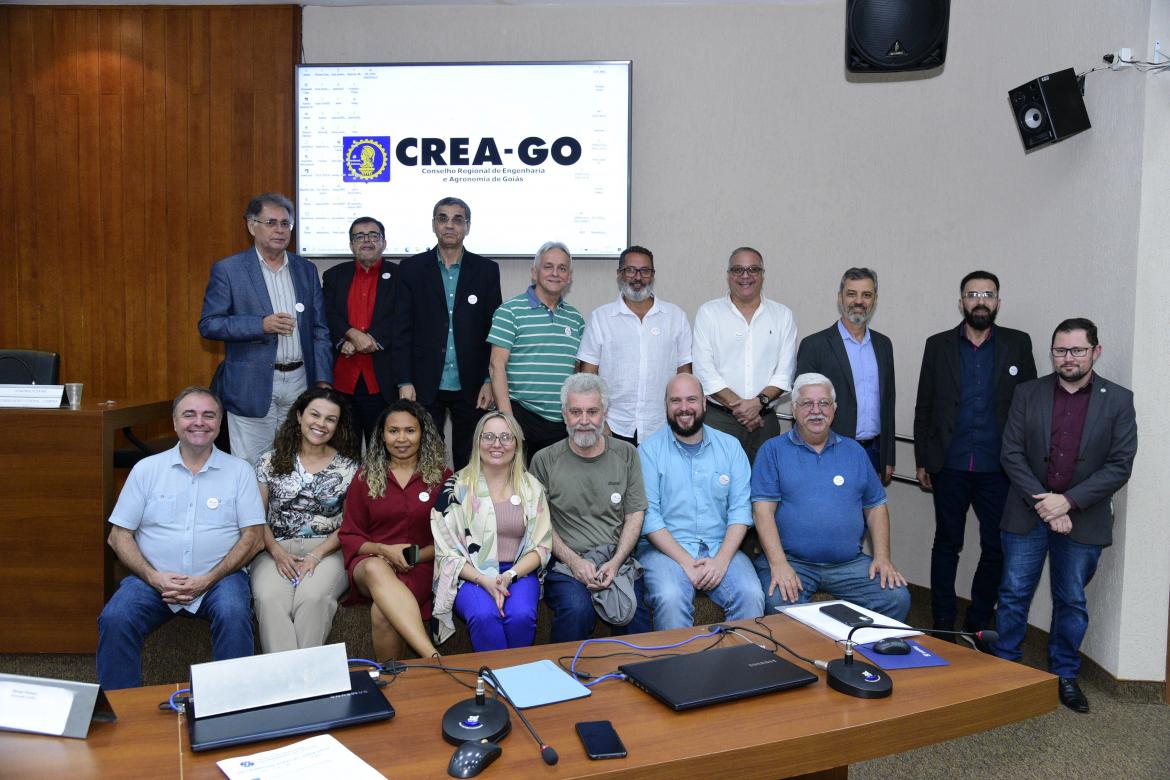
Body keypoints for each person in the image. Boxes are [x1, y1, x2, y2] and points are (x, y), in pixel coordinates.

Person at [993, 319, 1137, 713]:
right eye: (1060, 350)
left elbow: (1119, 465)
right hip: (1027, 512)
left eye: (1077, 350)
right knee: (1013, 594)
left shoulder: (1118, 400)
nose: (1068, 358)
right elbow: (1011, 453)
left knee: (1071, 600)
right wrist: (1047, 504)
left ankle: (1065, 674)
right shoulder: (1028, 393)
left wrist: (1068, 502)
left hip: (1083, 518)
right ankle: (1004, 667)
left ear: (1095, 352)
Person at [97, 387, 264, 689]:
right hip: (153, 578)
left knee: (234, 613)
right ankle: (120, 709)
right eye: (189, 414)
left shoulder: (240, 471)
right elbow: (119, 536)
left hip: (220, 579)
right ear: (174, 423)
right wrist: (153, 576)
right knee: (116, 617)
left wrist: (209, 579)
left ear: (219, 423)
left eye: (208, 415)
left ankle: (233, 705)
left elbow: (253, 537)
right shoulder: (146, 470)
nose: (199, 422)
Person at [913, 270, 1037, 637]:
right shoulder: (938, 345)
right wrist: (922, 460)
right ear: (961, 302)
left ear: (997, 302)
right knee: (947, 543)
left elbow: (1030, 406)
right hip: (949, 464)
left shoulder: (1018, 343)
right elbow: (924, 406)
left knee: (996, 546)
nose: (980, 301)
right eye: (972, 294)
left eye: (987, 294)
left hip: (998, 468)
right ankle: (942, 622)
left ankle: (978, 621)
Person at [751, 373, 910, 620]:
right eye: (807, 403)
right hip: (793, 562)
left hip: (848, 564)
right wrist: (779, 564)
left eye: (824, 403)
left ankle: (860, 646)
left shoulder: (854, 451)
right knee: (778, 602)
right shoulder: (772, 451)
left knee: (896, 598)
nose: (816, 411)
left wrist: (882, 557)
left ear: (834, 409)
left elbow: (875, 506)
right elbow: (762, 512)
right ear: (794, 409)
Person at [199, 193, 333, 466]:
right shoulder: (229, 269)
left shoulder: (305, 270)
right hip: (251, 384)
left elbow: (320, 329)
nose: (280, 230)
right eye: (271, 223)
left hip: (299, 381)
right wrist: (260, 325)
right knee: (251, 466)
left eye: (285, 223)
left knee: (295, 463)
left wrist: (322, 380)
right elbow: (209, 323)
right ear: (252, 226)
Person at [530, 373, 652, 641]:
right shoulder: (544, 460)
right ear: (564, 414)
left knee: (633, 613)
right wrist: (574, 561)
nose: (584, 420)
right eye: (576, 412)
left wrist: (615, 562)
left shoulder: (627, 454)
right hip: (564, 562)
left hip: (616, 558)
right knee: (576, 609)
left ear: (605, 413)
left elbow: (634, 514)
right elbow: (539, 523)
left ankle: (638, 669)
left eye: (592, 412)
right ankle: (561, 669)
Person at [638, 374, 763, 630]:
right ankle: (679, 658)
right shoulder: (648, 451)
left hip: (720, 546)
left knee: (751, 594)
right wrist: (686, 562)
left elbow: (740, 511)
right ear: (666, 405)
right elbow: (649, 518)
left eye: (691, 399)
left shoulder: (731, 447)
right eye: (676, 400)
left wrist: (722, 561)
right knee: (670, 598)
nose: (684, 408)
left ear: (705, 403)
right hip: (665, 551)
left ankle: (739, 657)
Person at [391, 197, 502, 469]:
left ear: (467, 226)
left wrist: (489, 380)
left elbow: (494, 330)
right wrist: (404, 380)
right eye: (443, 219)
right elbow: (401, 330)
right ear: (433, 225)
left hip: (472, 384)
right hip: (423, 381)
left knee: (470, 458)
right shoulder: (411, 269)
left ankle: (465, 499)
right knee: (427, 458)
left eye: (457, 219)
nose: (449, 225)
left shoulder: (487, 270)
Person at [339, 400, 452, 661]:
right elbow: (350, 534)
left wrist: (413, 556)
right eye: (393, 431)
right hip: (369, 563)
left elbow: (451, 539)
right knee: (375, 566)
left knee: (382, 612)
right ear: (382, 435)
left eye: (410, 430)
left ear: (422, 434)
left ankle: (395, 678)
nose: (401, 439)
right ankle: (433, 658)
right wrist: (384, 551)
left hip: (421, 565)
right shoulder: (365, 476)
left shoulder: (442, 478)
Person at [251, 387, 362, 653]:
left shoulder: (350, 468)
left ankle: (301, 674)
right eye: (315, 415)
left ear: (337, 426)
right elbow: (256, 518)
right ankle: (293, 675)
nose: (321, 424)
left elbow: (349, 524)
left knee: (313, 598)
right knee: (269, 599)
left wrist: (316, 555)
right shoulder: (268, 462)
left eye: (330, 419)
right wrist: (277, 553)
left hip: (328, 550)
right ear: (300, 416)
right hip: (273, 548)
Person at [431, 412, 553, 651]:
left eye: (506, 437)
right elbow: (446, 552)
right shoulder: (454, 488)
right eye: (488, 437)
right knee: (484, 615)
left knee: (521, 616)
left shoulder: (532, 487)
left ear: (516, 444)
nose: (497, 444)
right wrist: (484, 580)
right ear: (477, 442)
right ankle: (498, 674)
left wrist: (509, 576)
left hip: (518, 572)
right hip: (471, 574)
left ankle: (515, 673)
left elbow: (542, 546)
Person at [578, 245, 692, 445]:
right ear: (619, 274)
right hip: (613, 426)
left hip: (662, 426)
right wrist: (599, 421)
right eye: (630, 270)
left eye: (644, 271)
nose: (638, 277)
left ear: (653, 275)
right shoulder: (601, 318)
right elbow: (587, 377)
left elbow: (685, 375)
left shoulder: (675, 317)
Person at [692, 247, 797, 463]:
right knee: (717, 481)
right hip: (718, 421)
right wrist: (742, 408)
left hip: (765, 422)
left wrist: (758, 404)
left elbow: (785, 373)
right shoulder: (709, 313)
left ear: (762, 274)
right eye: (738, 269)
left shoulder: (782, 315)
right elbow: (704, 371)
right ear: (729, 275)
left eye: (753, 269)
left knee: (764, 482)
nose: (745, 276)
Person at [796, 267, 895, 484]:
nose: (858, 301)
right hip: (828, 451)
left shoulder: (883, 345)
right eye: (851, 294)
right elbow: (802, 407)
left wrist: (888, 457)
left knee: (871, 507)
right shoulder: (814, 345)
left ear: (875, 300)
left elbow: (888, 403)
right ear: (840, 298)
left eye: (866, 295)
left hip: (874, 453)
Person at [488, 241, 585, 460]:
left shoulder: (576, 318)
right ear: (534, 272)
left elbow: (579, 371)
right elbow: (496, 366)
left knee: (555, 482)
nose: (555, 273)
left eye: (562, 268)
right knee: (516, 482)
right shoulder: (510, 311)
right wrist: (507, 420)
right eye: (548, 266)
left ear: (569, 276)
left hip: (562, 423)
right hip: (521, 416)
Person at [322, 217, 398, 444]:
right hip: (343, 380)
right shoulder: (334, 275)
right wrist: (349, 335)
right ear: (351, 244)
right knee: (344, 450)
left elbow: (401, 316)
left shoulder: (400, 275)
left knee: (382, 450)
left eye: (373, 235)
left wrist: (370, 338)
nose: (366, 240)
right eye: (359, 236)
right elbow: (327, 313)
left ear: (384, 243)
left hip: (382, 379)